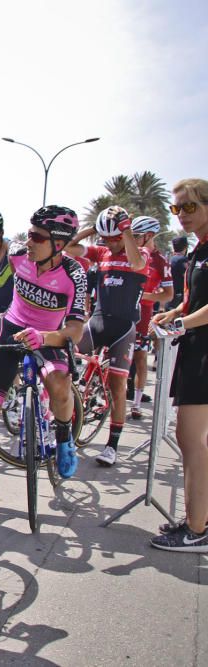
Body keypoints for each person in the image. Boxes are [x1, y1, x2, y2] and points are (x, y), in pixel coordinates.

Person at [0, 205, 87, 477]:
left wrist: (45, 337)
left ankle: (63, 437)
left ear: (59, 244)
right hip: (12, 325)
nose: (28, 242)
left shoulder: (74, 275)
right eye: (29, 234)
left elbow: (75, 330)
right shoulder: (17, 254)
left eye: (37, 238)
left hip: (48, 334)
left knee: (59, 384)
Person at [150, 177, 208, 552]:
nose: (182, 215)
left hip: (202, 350)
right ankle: (196, 519)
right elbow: (194, 297)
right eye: (177, 209)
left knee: (191, 440)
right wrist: (173, 311)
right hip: (193, 347)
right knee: (193, 442)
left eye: (190, 207)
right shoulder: (197, 249)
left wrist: (182, 323)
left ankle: (198, 530)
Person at [65, 206, 147, 466]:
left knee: (116, 386)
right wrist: (93, 230)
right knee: (63, 352)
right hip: (98, 321)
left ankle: (112, 445)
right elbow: (68, 247)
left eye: (115, 239)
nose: (110, 243)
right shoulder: (100, 252)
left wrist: (126, 233)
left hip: (123, 329)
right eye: (106, 238)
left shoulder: (139, 251)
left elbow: (137, 263)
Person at [130, 215, 172, 420]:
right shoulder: (129, 253)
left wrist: (143, 296)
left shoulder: (160, 261)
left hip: (143, 315)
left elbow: (168, 295)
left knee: (140, 359)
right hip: (121, 311)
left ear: (149, 236)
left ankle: (136, 404)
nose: (134, 239)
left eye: (137, 236)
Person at [169, 235, 190, 309]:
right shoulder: (183, 260)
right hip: (180, 299)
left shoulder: (170, 260)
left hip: (171, 297)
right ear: (186, 246)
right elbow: (189, 277)